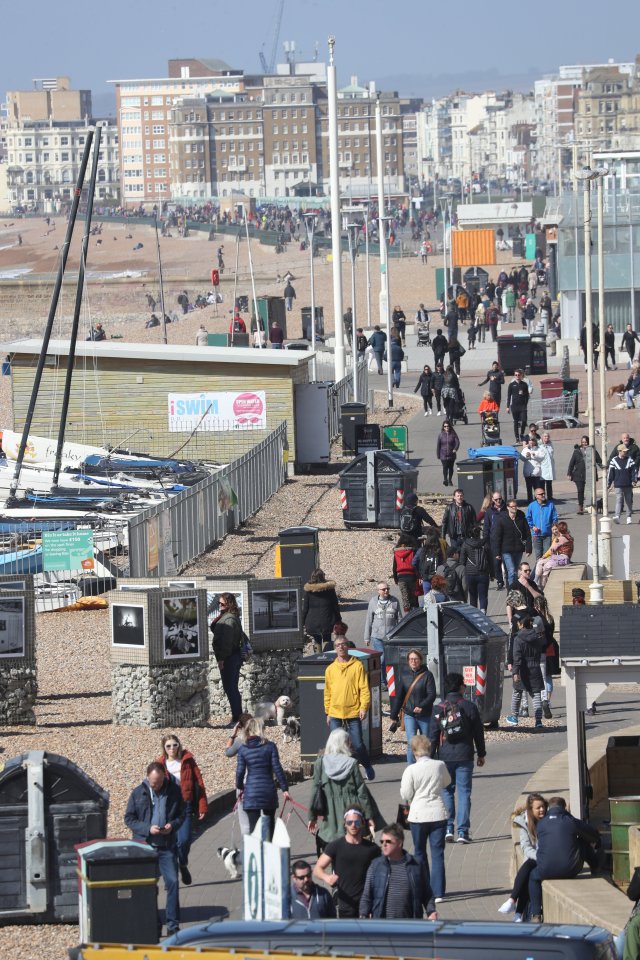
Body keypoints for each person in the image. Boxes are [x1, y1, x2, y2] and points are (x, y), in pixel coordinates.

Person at [124, 762, 185, 935]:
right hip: (146, 846)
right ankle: (154, 924)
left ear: (164, 777)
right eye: (153, 783)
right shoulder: (138, 792)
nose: (156, 786)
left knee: (172, 882)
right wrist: (147, 828)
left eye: (158, 782)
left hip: (167, 846)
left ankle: (173, 925)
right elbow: (129, 818)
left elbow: (182, 814)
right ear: (147, 778)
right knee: (149, 886)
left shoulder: (174, 790)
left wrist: (172, 826)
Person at [429, 672, 486, 844]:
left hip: (445, 756)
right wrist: (481, 753)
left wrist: (430, 758)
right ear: (461, 687)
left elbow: (432, 736)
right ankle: (463, 831)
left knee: (446, 791)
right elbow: (478, 733)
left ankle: (448, 828)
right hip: (465, 755)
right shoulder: (469, 707)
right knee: (464, 793)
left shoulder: (438, 709)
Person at [527, 796, 602, 922]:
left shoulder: (541, 824)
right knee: (582, 840)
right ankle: (595, 867)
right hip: (570, 870)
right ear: (564, 807)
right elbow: (592, 834)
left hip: (545, 870)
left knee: (533, 877)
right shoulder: (569, 820)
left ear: (549, 808)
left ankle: (536, 914)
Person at [308, 729, 381, 848]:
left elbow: (314, 791)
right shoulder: (352, 763)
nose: (350, 744)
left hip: (329, 814)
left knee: (332, 849)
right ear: (344, 744)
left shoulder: (320, 764)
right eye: (348, 741)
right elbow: (361, 792)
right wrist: (369, 816)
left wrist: (312, 817)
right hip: (352, 813)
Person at [400, 735, 450, 902]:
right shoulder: (440, 765)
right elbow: (446, 782)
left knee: (419, 852)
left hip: (418, 814)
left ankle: (423, 888)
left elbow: (406, 794)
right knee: (438, 853)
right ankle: (438, 892)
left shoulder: (411, 770)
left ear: (414, 751)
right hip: (438, 812)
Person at [156, 735, 207, 886]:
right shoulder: (160, 764)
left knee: (184, 840)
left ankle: (182, 864)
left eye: (174, 745)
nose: (172, 748)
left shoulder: (188, 760)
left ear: (179, 745)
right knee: (169, 845)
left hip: (186, 805)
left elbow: (199, 783)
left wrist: (202, 805)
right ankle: (170, 877)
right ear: (164, 748)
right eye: (168, 746)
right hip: (167, 809)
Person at [359, 822, 437, 919]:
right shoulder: (375, 865)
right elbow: (366, 896)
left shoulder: (416, 864)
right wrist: (363, 915)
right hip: (382, 926)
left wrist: (431, 911)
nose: (384, 845)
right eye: (382, 841)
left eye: (388, 841)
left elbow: (427, 894)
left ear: (400, 843)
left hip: (410, 926)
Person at [313, 807, 381, 918]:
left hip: (367, 906)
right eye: (349, 822)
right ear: (345, 824)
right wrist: (327, 877)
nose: (353, 825)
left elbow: (383, 872)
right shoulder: (335, 846)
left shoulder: (372, 849)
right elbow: (317, 869)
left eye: (357, 822)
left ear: (363, 823)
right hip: (346, 906)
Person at [324, 636, 375, 780]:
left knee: (358, 745)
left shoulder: (357, 666)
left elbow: (364, 689)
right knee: (336, 747)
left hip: (353, 712)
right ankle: (339, 774)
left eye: (343, 644)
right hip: (335, 712)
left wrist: (364, 707)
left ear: (348, 646)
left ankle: (367, 766)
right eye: (338, 645)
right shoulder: (330, 669)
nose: (341, 647)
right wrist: (327, 711)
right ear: (335, 648)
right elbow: (327, 692)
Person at [236, 716, 291, 839]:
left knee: (253, 830)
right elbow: (277, 768)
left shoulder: (243, 749)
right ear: (261, 730)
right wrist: (284, 788)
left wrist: (240, 786)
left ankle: (256, 855)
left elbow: (240, 772)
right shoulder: (270, 746)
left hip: (251, 792)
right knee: (269, 827)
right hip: (268, 791)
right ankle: (268, 853)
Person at [499, 793, 548, 922]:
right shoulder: (524, 823)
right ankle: (516, 910)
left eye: (543, 806)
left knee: (528, 868)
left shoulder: (548, 821)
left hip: (546, 858)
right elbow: (525, 848)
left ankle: (514, 904)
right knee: (529, 870)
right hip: (536, 858)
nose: (542, 810)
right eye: (538, 808)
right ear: (531, 810)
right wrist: (539, 856)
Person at [389, 650, 437, 763]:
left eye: (416, 659)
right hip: (409, 714)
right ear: (408, 661)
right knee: (411, 743)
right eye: (411, 659)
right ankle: (411, 769)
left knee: (426, 743)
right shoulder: (404, 675)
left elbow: (432, 695)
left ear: (420, 660)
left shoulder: (427, 675)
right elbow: (399, 696)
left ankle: (427, 766)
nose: (413, 661)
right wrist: (393, 714)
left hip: (424, 714)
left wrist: (422, 706)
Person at [505, 611, 546, 728]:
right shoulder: (537, 637)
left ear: (521, 624)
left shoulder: (518, 638)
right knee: (536, 694)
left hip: (522, 668)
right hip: (535, 667)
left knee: (517, 692)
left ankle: (514, 717)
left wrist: (515, 672)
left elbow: (517, 657)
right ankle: (538, 721)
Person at [211, 592, 244, 726]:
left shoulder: (229, 619)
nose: (219, 605)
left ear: (229, 604)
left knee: (230, 688)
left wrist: (222, 659)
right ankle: (238, 717)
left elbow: (227, 642)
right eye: (218, 603)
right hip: (231, 657)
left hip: (229, 658)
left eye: (222, 603)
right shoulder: (227, 617)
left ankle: (237, 719)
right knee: (232, 688)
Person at [363, 582, 401, 679]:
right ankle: (382, 681)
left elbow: (400, 619)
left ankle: (392, 681)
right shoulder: (373, 602)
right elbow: (369, 620)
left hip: (391, 637)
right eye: (383, 589)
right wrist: (367, 637)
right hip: (377, 637)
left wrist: (401, 635)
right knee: (381, 659)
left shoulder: (394, 601)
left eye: (387, 588)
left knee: (391, 660)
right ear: (378, 591)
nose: (386, 591)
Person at [492, 498, 532, 588]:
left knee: (515, 571)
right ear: (508, 508)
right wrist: (497, 552)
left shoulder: (521, 517)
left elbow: (527, 533)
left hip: (518, 549)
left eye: (516, 506)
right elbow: (497, 536)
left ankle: (514, 587)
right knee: (511, 570)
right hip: (506, 550)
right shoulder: (502, 519)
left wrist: (528, 548)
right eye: (512, 506)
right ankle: (511, 590)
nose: (514, 508)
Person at [224, 712, 253, 835]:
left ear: (239, 726)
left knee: (245, 821)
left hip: (246, 784)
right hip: (263, 785)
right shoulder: (264, 741)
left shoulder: (240, 742)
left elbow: (228, 752)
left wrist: (233, 735)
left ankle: (250, 848)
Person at [302, 568, 342, 651]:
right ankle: (327, 659)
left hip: (312, 623)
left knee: (317, 640)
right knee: (327, 640)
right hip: (328, 621)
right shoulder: (330, 590)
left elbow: (305, 608)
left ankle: (318, 659)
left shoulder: (309, 591)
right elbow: (335, 606)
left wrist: (302, 622)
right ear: (322, 577)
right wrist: (338, 619)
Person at [459, 524, 491, 613]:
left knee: (472, 596)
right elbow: (490, 559)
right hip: (483, 573)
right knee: (483, 595)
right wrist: (492, 574)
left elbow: (462, 561)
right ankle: (483, 611)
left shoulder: (465, 544)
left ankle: (475, 614)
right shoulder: (484, 544)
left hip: (470, 573)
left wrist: (461, 575)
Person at [534, 521, 574, 587]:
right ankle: (537, 582)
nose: (555, 531)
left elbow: (551, 550)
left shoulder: (560, 539)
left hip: (561, 558)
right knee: (541, 563)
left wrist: (544, 556)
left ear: (559, 529)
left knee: (544, 566)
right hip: (563, 558)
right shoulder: (569, 537)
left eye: (556, 529)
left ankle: (539, 584)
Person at [526, 487, 558, 561]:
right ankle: (538, 572)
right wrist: (532, 526)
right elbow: (528, 518)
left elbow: (555, 518)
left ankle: (546, 572)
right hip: (536, 536)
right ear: (536, 496)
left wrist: (554, 529)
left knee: (547, 555)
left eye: (544, 493)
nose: (543, 495)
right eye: (541, 494)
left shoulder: (550, 505)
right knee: (538, 557)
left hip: (548, 535)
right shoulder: (532, 505)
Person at [608, 443, 638, 524]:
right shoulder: (614, 460)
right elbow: (611, 473)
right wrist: (609, 483)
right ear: (619, 451)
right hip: (618, 484)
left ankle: (629, 517)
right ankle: (617, 516)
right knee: (619, 500)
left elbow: (633, 471)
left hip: (628, 484)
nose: (625, 453)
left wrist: (634, 480)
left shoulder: (630, 459)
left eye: (626, 451)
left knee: (628, 501)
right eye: (624, 451)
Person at [483, 491, 507, 590]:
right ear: (492, 500)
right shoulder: (489, 511)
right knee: (496, 563)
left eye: (500, 499)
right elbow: (486, 527)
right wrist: (486, 541)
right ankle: (500, 581)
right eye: (496, 499)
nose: (498, 501)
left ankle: (509, 580)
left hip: (506, 540)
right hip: (494, 541)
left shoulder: (506, 509)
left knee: (506, 561)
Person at [413, 527, 445, 598]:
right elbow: (442, 563)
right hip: (437, 579)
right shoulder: (438, 551)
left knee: (428, 599)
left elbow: (413, 563)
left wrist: (419, 574)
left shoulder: (421, 550)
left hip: (425, 578)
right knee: (439, 599)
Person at [393, 535, 420, 613]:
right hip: (412, 576)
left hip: (401, 577)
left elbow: (394, 567)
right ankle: (415, 614)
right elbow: (416, 565)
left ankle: (407, 616)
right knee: (414, 597)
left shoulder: (396, 552)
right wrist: (418, 576)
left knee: (405, 598)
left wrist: (395, 579)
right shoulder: (413, 551)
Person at [567, 435, 590, 515]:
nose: (584, 444)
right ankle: (580, 507)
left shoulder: (592, 450)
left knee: (589, 491)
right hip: (578, 474)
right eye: (583, 442)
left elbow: (598, 460)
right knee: (580, 491)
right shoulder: (577, 451)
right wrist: (569, 473)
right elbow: (571, 463)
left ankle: (590, 506)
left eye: (586, 442)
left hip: (589, 474)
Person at [507, 370, 530, 442]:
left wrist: (525, 404)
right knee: (516, 422)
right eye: (516, 375)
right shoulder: (511, 385)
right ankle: (517, 437)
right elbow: (509, 396)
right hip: (514, 406)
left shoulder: (524, 384)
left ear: (521, 375)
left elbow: (527, 396)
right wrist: (507, 407)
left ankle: (522, 434)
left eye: (518, 375)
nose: (517, 376)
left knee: (524, 420)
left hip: (522, 406)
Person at [521, 438, 545, 504]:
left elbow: (542, 457)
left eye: (533, 441)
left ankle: (538, 501)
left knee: (537, 488)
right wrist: (526, 456)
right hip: (528, 472)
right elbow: (522, 458)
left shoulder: (539, 449)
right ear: (528, 442)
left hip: (536, 473)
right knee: (529, 488)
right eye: (530, 441)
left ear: (535, 442)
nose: (531, 442)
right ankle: (530, 501)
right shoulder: (525, 449)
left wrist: (534, 455)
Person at [436, 420, 460, 487]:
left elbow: (457, 442)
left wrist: (455, 449)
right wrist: (438, 454)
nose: (446, 427)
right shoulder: (440, 435)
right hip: (443, 454)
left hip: (451, 454)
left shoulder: (453, 434)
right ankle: (445, 479)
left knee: (451, 468)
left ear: (450, 426)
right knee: (445, 467)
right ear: (443, 427)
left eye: (447, 426)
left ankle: (450, 480)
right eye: (445, 426)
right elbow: (438, 445)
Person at [538, 432, 556, 501]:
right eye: (545, 436)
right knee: (542, 484)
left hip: (549, 467)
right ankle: (542, 497)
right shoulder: (539, 445)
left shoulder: (550, 444)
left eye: (548, 436)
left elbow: (551, 454)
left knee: (549, 484)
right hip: (543, 467)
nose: (546, 438)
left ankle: (550, 497)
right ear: (542, 437)